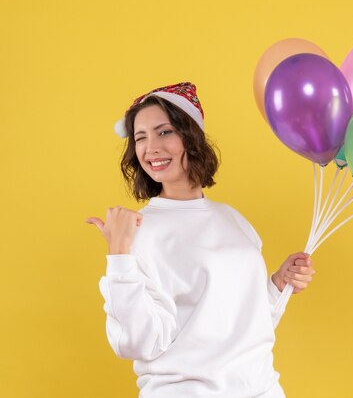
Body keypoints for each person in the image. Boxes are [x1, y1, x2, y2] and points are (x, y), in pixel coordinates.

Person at [85, 82, 316, 398]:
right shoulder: (141, 231)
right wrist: (119, 256)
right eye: (140, 137)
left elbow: (244, 323)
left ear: (190, 136)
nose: (150, 147)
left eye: (164, 132)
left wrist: (278, 283)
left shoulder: (234, 220)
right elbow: (136, 342)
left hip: (262, 389)